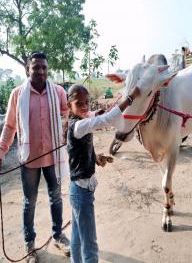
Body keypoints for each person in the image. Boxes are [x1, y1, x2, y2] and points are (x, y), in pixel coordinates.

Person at [0, 52, 70, 263]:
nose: (41, 71)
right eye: (36, 67)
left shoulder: (58, 92)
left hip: (54, 157)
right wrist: (1, 151)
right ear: (27, 69)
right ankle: (30, 244)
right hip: (29, 159)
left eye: (44, 68)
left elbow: (68, 115)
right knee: (29, 202)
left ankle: (58, 235)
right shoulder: (17, 94)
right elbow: (10, 126)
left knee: (56, 197)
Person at [66, 84, 140, 263]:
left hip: (79, 191)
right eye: (79, 104)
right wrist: (130, 98)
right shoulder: (77, 126)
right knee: (90, 246)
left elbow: (92, 119)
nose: (85, 107)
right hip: (81, 194)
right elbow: (104, 120)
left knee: (77, 240)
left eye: (86, 103)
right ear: (69, 106)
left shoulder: (80, 121)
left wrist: (96, 158)